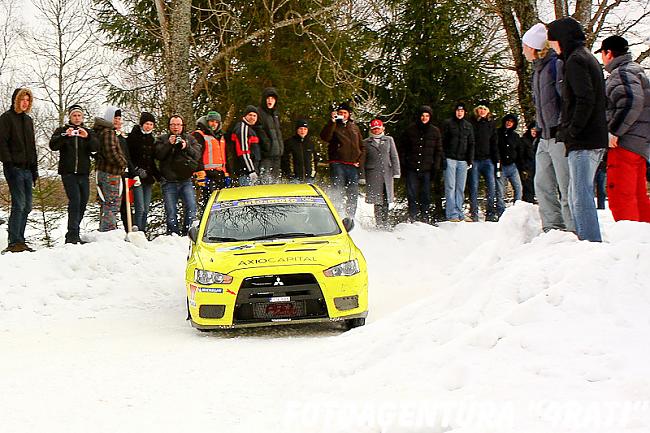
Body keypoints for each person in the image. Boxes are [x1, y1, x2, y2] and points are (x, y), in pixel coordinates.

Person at [547, 17, 608, 242]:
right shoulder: (585, 57)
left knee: (580, 196)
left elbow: (585, 98)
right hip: (590, 137)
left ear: (562, 38)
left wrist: (572, 130)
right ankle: (586, 240)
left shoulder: (575, 61)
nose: (552, 47)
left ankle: (590, 243)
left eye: (553, 41)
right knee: (575, 194)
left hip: (585, 140)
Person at [522, 22, 574, 232]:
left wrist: (563, 127)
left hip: (559, 136)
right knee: (542, 185)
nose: (523, 50)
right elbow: (542, 104)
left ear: (534, 47)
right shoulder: (537, 70)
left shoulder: (556, 66)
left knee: (566, 185)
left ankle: (573, 229)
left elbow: (566, 100)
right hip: (543, 137)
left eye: (525, 45)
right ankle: (553, 228)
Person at [598, 35, 650, 222]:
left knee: (621, 195)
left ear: (609, 53)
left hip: (625, 143)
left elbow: (631, 101)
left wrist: (614, 131)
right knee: (638, 196)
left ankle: (628, 241)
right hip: (640, 143)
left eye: (602, 54)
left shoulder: (621, 73)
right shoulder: (636, 70)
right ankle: (643, 239)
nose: (602, 59)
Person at [48, 104, 99, 244]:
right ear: (70, 117)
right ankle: (72, 235)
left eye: (79, 115)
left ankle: (74, 231)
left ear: (82, 117)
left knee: (83, 201)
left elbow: (96, 147)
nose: (77, 118)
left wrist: (87, 137)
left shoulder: (88, 131)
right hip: (68, 172)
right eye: (74, 115)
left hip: (83, 172)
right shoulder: (62, 130)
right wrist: (65, 136)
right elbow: (53, 145)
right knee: (75, 200)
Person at [0, 88, 38, 253]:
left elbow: (32, 147)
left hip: (28, 169)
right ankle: (14, 241)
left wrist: (34, 169)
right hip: (13, 168)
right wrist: (8, 162)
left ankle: (20, 239)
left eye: (28, 100)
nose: (25, 102)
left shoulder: (28, 121)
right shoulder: (6, 118)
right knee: (19, 204)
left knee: (28, 206)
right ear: (16, 100)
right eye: (22, 99)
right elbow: (1, 142)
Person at [155, 115, 201, 235]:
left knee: (191, 208)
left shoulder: (190, 139)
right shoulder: (162, 139)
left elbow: (197, 155)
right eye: (173, 124)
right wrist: (169, 144)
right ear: (169, 126)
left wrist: (186, 146)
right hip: (169, 180)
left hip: (186, 180)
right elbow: (158, 155)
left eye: (178, 124)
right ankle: (173, 235)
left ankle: (188, 233)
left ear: (182, 126)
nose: (175, 127)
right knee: (171, 212)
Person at [320, 102, 365, 219]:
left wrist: (360, 160)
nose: (343, 115)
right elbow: (325, 137)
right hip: (338, 164)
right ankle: (337, 217)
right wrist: (332, 122)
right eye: (340, 113)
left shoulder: (354, 127)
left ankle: (351, 218)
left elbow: (362, 146)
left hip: (353, 165)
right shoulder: (334, 125)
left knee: (353, 194)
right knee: (337, 191)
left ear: (349, 114)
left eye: (345, 113)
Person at [399, 105, 443, 223]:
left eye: (427, 116)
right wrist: (404, 163)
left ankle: (425, 217)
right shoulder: (410, 130)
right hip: (412, 168)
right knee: (412, 194)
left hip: (427, 168)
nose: (424, 118)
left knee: (425, 195)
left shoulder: (435, 131)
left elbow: (438, 151)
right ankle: (412, 217)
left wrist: (436, 166)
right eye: (422, 115)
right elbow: (403, 148)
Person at [361, 119, 400, 228]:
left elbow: (394, 156)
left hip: (387, 173)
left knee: (386, 197)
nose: (376, 130)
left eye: (378, 128)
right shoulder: (366, 142)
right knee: (377, 199)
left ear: (382, 128)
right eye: (374, 129)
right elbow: (362, 160)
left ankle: (385, 221)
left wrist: (396, 171)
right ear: (371, 130)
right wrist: (362, 176)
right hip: (373, 174)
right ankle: (379, 223)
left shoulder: (389, 140)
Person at [94, 106, 128, 232]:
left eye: (119, 118)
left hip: (103, 172)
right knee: (112, 203)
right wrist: (123, 163)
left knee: (106, 203)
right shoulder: (108, 132)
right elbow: (111, 153)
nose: (118, 121)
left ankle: (105, 229)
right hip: (110, 173)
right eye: (115, 118)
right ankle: (108, 230)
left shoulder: (102, 131)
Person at [127, 112, 159, 233]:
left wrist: (158, 175)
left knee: (146, 208)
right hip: (136, 177)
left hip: (148, 178)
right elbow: (128, 157)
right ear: (141, 124)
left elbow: (152, 161)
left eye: (151, 124)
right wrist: (136, 170)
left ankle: (142, 230)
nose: (149, 126)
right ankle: (137, 230)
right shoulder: (133, 137)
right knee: (139, 207)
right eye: (146, 124)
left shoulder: (152, 139)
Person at [442, 103, 474, 222]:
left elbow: (471, 143)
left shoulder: (468, 126)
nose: (459, 113)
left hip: (463, 161)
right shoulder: (448, 123)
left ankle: (460, 212)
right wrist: (443, 158)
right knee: (450, 186)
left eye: (462, 111)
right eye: (457, 110)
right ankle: (451, 213)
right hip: (450, 159)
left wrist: (470, 159)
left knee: (460, 187)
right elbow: (442, 142)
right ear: (455, 111)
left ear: (465, 112)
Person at [192, 111, 229, 212]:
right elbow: (196, 155)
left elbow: (223, 156)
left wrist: (226, 173)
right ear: (207, 121)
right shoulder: (199, 134)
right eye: (211, 121)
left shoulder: (220, 136)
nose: (214, 124)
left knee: (222, 203)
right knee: (208, 203)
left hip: (220, 174)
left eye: (216, 122)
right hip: (207, 174)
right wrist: (200, 172)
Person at [469, 101, 499, 222]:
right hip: (475, 159)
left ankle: (490, 213)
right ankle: (474, 213)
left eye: (484, 109)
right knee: (474, 186)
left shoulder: (491, 124)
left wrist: (496, 160)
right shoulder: (471, 123)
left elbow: (494, 143)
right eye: (480, 108)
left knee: (491, 187)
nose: (482, 111)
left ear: (488, 111)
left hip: (488, 160)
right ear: (477, 110)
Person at [496, 114, 523, 217]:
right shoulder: (498, 133)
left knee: (518, 188)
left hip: (513, 166)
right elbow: (495, 148)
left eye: (511, 122)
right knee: (500, 191)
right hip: (501, 166)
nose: (509, 123)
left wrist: (520, 165)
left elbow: (519, 151)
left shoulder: (515, 136)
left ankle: (517, 211)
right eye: (508, 121)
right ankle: (501, 213)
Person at [257, 87, 284, 183]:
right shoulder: (259, 112)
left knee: (275, 182)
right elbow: (259, 130)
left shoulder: (275, 114)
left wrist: (281, 148)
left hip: (277, 154)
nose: (270, 101)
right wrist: (267, 146)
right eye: (268, 98)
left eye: (272, 98)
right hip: (266, 155)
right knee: (265, 181)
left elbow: (278, 133)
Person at [229, 106, 261, 186]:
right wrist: (251, 171)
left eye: (254, 116)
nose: (252, 118)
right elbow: (243, 152)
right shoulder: (243, 128)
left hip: (252, 170)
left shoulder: (251, 129)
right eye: (250, 115)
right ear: (245, 116)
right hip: (246, 172)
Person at [519, 123, 539, 203]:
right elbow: (521, 155)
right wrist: (523, 167)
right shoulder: (524, 140)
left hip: (537, 166)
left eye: (536, 130)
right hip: (527, 167)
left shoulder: (539, 140)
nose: (534, 132)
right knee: (528, 187)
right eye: (532, 129)